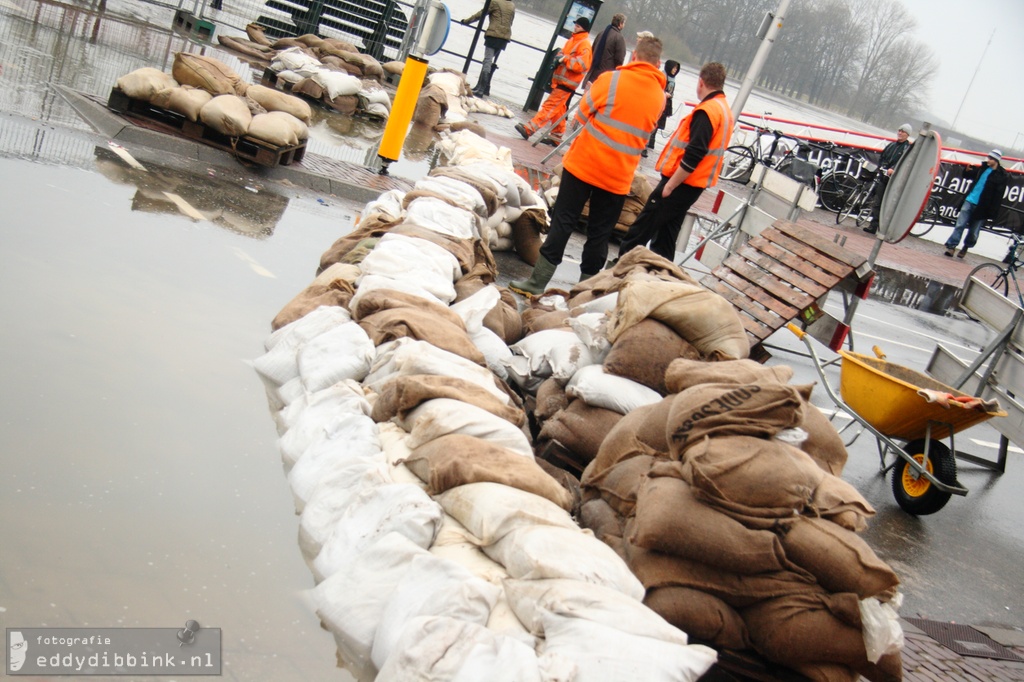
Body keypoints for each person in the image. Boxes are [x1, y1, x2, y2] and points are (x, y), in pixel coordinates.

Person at [509, 36, 667, 296]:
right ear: (658, 64)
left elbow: (578, 118)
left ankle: (537, 282)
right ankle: (586, 293)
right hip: (618, 178)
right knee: (600, 234)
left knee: (564, 221)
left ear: (634, 56)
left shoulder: (611, 80)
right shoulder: (659, 98)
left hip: (584, 165)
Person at [614, 62, 734, 262]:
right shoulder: (724, 110)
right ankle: (661, 274)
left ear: (701, 82)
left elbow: (694, 154)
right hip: (694, 184)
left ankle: (620, 266)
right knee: (666, 234)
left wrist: (670, 185)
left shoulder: (707, 112)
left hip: (681, 182)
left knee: (642, 226)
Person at [514, 16, 592, 141]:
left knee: (549, 107)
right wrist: (559, 57)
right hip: (561, 81)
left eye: (578, 26)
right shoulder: (573, 40)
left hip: (567, 83)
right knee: (559, 109)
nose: (575, 28)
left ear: (584, 29)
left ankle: (529, 129)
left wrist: (564, 59)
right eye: (575, 25)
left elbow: (582, 65)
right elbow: (563, 53)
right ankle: (556, 136)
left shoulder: (584, 44)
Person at [944, 149, 1008, 258]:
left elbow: (998, 196)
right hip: (970, 200)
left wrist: (992, 212)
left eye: (991, 158)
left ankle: (966, 247)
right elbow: (970, 175)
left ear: (996, 160)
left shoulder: (1001, 176)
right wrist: (967, 171)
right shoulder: (982, 169)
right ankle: (951, 246)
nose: (988, 160)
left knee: (974, 231)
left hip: (983, 206)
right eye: (988, 157)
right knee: (960, 224)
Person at [864, 123, 913, 234]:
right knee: (877, 202)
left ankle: (885, 228)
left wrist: (893, 169)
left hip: (895, 181)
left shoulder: (907, 149)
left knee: (888, 204)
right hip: (883, 177)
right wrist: (882, 167)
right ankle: (873, 225)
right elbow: (882, 157)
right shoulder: (891, 145)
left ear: (907, 134)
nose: (900, 133)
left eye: (903, 131)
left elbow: (905, 163)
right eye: (899, 130)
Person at [461, 0, 516, 98]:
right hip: (504, 38)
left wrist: (467, 21)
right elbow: (510, 22)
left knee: (487, 60)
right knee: (488, 61)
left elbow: (481, 14)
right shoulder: (512, 5)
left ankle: (481, 89)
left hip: (493, 35)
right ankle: (479, 86)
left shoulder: (494, 2)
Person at [643, 59, 678, 158]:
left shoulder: (672, 79)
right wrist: (664, 94)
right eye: (674, 68)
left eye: (676, 68)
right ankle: (647, 144)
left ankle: (650, 143)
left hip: (666, 102)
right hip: (660, 101)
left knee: (658, 125)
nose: (675, 70)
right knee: (654, 123)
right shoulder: (662, 76)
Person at [583, 13, 626, 88]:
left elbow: (592, 50)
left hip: (592, 73)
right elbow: (619, 59)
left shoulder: (601, 33)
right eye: (624, 23)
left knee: (586, 97)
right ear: (620, 24)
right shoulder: (619, 38)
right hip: (604, 76)